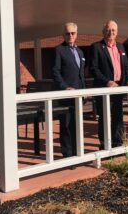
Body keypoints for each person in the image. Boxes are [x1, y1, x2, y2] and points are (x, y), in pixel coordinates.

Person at [90, 20, 128, 149]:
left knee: (117, 115)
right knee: (104, 116)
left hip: (118, 88)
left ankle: (117, 142)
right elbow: (94, 69)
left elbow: (126, 66)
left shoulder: (121, 46)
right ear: (103, 32)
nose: (111, 32)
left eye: (113, 30)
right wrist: (107, 81)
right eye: (108, 30)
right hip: (104, 88)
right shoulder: (96, 47)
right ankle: (104, 144)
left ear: (117, 32)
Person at [52, 22, 86, 157]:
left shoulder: (80, 51)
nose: (70, 35)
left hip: (79, 95)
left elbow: (81, 74)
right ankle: (67, 154)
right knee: (66, 125)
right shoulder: (59, 50)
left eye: (73, 33)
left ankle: (77, 152)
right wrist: (65, 87)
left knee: (76, 124)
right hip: (66, 95)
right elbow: (55, 71)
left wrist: (84, 91)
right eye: (67, 33)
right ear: (63, 35)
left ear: (76, 34)